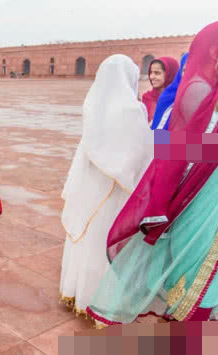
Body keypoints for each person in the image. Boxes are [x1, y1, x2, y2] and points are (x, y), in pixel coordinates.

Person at [88, 21, 218, 325]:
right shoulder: (195, 92)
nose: (153, 78)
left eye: (159, 73)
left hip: (194, 182)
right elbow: (174, 150)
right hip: (190, 188)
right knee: (191, 260)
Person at [59, 54, 153, 317]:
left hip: (90, 187)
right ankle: (102, 302)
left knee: (86, 237)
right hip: (116, 191)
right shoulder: (133, 111)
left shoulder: (92, 104)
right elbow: (142, 151)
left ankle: (77, 294)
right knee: (107, 242)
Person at [150, 53, 189, 130]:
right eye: (185, 70)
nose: (152, 77)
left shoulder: (211, 100)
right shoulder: (168, 98)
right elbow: (157, 138)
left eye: (157, 73)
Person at [142, 57, 179, 122]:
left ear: (169, 74)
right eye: (151, 72)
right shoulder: (147, 98)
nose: (151, 77)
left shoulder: (178, 99)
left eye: (157, 73)